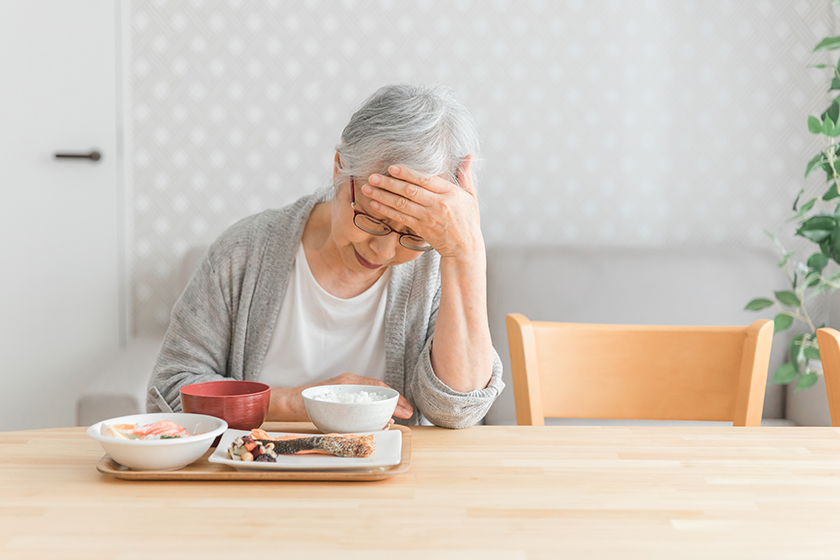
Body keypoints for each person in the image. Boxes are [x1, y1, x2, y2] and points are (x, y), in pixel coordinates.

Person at [146, 83, 504, 428]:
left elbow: (457, 411)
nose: (383, 250)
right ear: (339, 169)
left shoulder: (440, 265)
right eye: (373, 219)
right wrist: (305, 402)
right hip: (258, 482)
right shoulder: (244, 252)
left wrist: (466, 252)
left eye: (412, 233)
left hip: (395, 486)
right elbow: (168, 393)